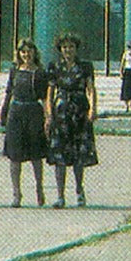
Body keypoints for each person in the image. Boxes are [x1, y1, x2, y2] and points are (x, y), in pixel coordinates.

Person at [43, 31, 98, 207]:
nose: (68, 50)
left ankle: (79, 190)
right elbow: (50, 92)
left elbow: (90, 88)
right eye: (65, 47)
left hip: (79, 113)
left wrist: (93, 108)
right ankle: (60, 195)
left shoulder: (85, 67)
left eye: (71, 47)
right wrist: (49, 114)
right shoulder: (54, 67)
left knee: (78, 155)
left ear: (76, 48)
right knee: (59, 155)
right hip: (61, 114)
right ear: (60, 49)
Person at [0, 38, 49, 207]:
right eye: (23, 52)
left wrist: (48, 117)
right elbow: (9, 92)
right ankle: (16, 193)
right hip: (16, 112)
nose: (26, 55)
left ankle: (39, 188)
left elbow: (44, 97)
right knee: (15, 156)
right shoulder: (14, 71)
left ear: (35, 53)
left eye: (29, 51)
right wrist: (3, 112)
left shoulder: (40, 73)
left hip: (33, 112)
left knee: (36, 154)